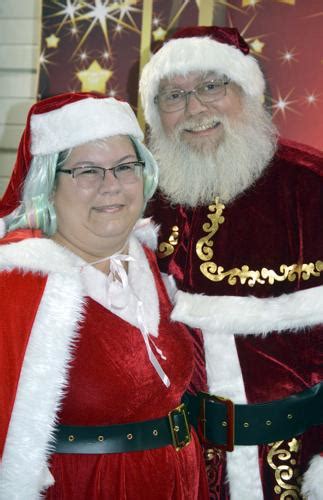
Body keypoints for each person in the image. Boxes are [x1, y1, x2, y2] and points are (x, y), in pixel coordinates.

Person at [139, 25, 323, 500]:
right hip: (193, 465)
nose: (195, 108)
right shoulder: (140, 200)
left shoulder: (312, 186)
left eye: (211, 86)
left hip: (303, 459)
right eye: (173, 95)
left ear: (248, 91)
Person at [0, 92, 209, 499]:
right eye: (88, 171)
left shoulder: (153, 260)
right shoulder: (22, 285)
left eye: (125, 167)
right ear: (48, 182)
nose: (111, 186)